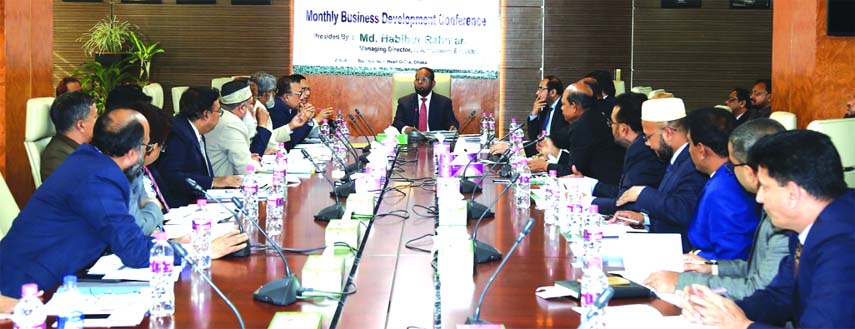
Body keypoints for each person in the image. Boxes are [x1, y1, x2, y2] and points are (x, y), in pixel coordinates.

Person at [0, 109, 248, 298]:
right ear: (131, 153)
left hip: (60, 273)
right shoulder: (99, 179)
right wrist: (202, 251)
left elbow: (122, 235)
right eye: (147, 146)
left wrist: (169, 244)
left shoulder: (91, 161)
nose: (148, 152)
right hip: (29, 287)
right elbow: (134, 251)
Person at [681, 130, 855, 329]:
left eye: (765, 187)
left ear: (792, 194)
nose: (759, 198)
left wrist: (743, 326)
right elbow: (779, 297)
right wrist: (719, 307)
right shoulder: (808, 227)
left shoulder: (844, 248)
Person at [644, 119, 788, 299]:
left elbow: (760, 289)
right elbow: (755, 268)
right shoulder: (774, 202)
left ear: (750, 171)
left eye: (732, 165)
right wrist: (711, 267)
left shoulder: (784, 213)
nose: (729, 171)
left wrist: (681, 282)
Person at [611, 98, 708, 252]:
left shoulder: (692, 163)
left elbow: (685, 211)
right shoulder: (676, 159)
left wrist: (642, 193)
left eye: (648, 137)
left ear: (668, 133)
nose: (647, 144)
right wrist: (645, 219)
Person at [574, 92, 666, 215]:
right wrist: (589, 184)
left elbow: (625, 204)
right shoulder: (638, 146)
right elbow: (625, 193)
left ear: (623, 128)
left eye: (611, 123)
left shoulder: (641, 150)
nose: (610, 127)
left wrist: (585, 202)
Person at [686, 108, 760, 260]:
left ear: (701, 150)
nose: (688, 150)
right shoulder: (724, 177)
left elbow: (732, 255)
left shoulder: (725, 189)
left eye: (689, 143)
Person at [156, 87, 242, 208]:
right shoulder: (179, 133)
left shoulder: (191, 129)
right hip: (182, 206)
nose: (220, 116)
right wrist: (214, 181)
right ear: (206, 114)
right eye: (219, 112)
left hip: (199, 201)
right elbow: (171, 175)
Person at [528, 80, 624, 184]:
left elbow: (574, 171)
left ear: (574, 106)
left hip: (602, 187)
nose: (561, 108)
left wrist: (545, 166)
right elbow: (562, 138)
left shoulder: (583, 126)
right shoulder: (593, 116)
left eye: (563, 104)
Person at [490, 75, 572, 157]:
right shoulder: (546, 108)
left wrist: (514, 149)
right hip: (541, 154)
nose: (537, 93)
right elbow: (534, 137)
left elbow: (555, 141)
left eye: (540, 89)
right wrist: (534, 114)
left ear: (552, 92)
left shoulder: (565, 110)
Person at [129, 102, 172, 235]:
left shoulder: (138, 169)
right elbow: (138, 228)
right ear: (150, 147)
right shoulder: (122, 174)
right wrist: (154, 207)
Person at [205, 80, 261, 176]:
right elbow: (245, 169)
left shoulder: (223, 117)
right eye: (251, 104)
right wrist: (256, 163)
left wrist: (248, 158)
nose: (252, 109)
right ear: (242, 108)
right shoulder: (232, 124)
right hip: (221, 187)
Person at [41, 91, 98, 181]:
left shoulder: (86, 146)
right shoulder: (56, 157)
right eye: (95, 117)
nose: (99, 122)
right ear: (81, 125)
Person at [392, 67, 459, 133]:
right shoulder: (404, 102)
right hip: (412, 141)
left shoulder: (444, 103)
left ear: (433, 83)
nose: (420, 82)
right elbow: (397, 122)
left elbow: (451, 122)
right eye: (417, 79)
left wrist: (453, 127)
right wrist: (405, 128)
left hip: (435, 141)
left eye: (424, 79)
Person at [267, 75, 311, 149]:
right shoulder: (277, 108)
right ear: (286, 97)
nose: (302, 97)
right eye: (299, 94)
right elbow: (288, 143)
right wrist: (309, 120)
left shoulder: (291, 108)